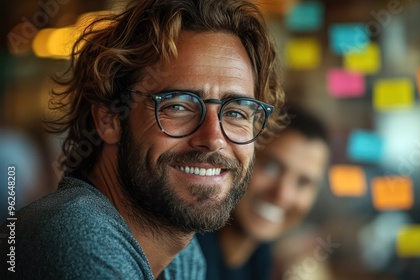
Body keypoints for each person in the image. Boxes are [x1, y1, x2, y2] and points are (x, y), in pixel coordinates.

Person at [0, 0, 285, 279]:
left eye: (236, 112)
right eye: (178, 106)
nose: (213, 139)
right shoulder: (76, 238)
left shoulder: (182, 254)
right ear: (109, 119)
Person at [197, 108, 330, 280]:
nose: (283, 194)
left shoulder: (261, 258)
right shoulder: (183, 253)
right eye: (271, 167)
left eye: (303, 182)